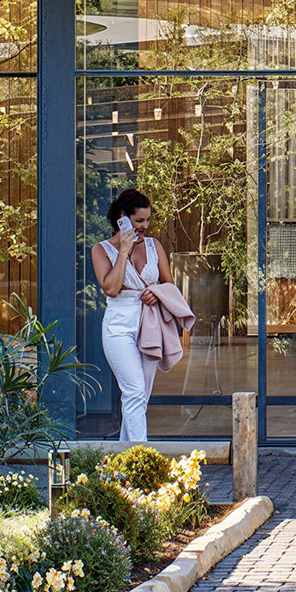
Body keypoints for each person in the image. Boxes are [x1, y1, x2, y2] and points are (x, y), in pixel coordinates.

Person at [90, 187, 183, 448]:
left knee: (140, 398)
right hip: (119, 326)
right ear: (123, 218)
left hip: (150, 325)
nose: (145, 226)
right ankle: (143, 457)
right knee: (133, 391)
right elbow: (110, 287)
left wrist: (157, 293)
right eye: (139, 220)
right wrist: (123, 251)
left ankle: (121, 467)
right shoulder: (101, 250)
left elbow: (170, 285)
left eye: (148, 220)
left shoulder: (154, 246)